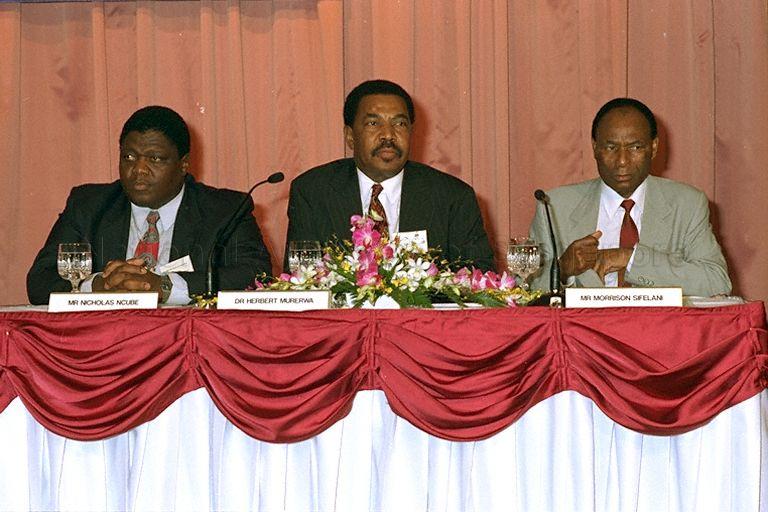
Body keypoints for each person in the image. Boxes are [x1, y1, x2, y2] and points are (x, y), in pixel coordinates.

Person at [27, 105, 272, 305]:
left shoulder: (225, 210)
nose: (139, 170)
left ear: (184, 164)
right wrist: (96, 286)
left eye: (155, 159)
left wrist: (166, 287)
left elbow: (257, 275)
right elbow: (40, 280)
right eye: (129, 157)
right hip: (105, 340)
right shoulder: (89, 206)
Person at [529, 97, 731, 297]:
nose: (622, 161)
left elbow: (717, 281)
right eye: (611, 147)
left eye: (635, 147)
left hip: (658, 320)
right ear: (595, 148)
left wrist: (629, 258)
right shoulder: (554, 206)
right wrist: (563, 270)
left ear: (653, 148)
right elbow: (523, 290)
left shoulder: (686, 204)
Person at [285, 79, 495, 271]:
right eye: (373, 123)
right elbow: (300, 279)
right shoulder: (313, 192)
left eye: (399, 124)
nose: (388, 135)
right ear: (350, 136)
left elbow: (479, 277)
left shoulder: (453, 197)